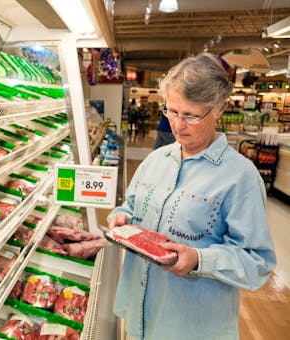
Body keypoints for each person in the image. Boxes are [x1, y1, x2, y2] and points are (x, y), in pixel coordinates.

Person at [107, 53, 276, 340]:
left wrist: (199, 259)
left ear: (219, 108)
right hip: (140, 317)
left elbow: (258, 262)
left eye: (191, 115)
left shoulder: (240, 177)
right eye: (171, 111)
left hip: (190, 326)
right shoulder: (156, 160)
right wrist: (120, 217)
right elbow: (131, 206)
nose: (178, 125)